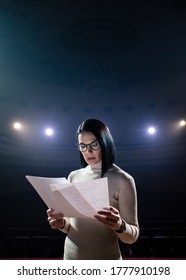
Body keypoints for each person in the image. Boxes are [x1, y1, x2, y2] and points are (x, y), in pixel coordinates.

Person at [47, 119, 139, 260]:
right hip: (70, 260)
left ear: (105, 143)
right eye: (82, 146)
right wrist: (61, 223)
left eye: (94, 144)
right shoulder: (74, 176)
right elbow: (71, 227)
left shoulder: (124, 180)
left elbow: (132, 238)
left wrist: (120, 225)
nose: (88, 151)